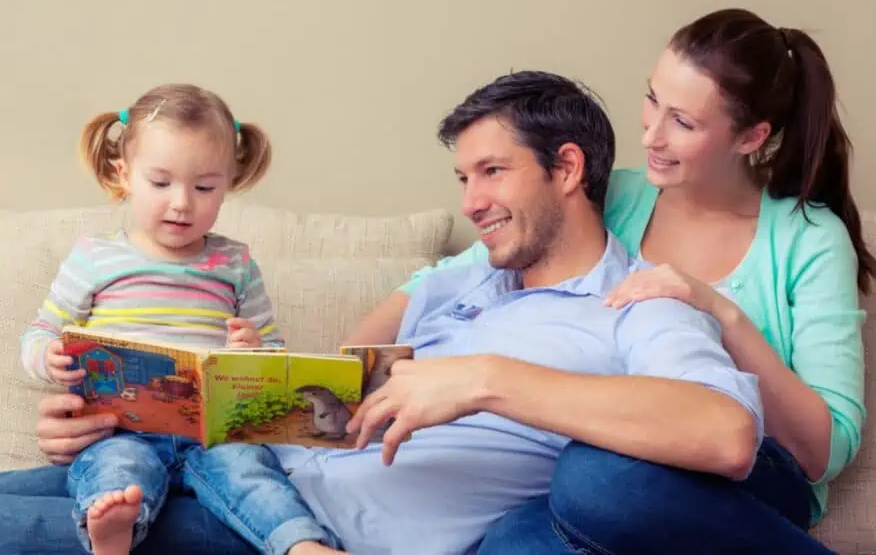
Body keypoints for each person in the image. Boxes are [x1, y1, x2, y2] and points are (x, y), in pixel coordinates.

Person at [0, 71, 763, 554]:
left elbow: (725, 436)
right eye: (464, 177)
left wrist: (487, 380)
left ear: (567, 168)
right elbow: (300, 392)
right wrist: (114, 406)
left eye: (492, 172)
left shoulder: (637, 304)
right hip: (249, 472)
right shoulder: (458, 282)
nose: (471, 204)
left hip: (309, 535)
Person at [346, 8, 876, 553]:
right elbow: (442, 278)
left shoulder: (808, 240)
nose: (651, 135)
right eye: (652, 100)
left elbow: (822, 453)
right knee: (514, 537)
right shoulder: (621, 196)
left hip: (748, 480)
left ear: (751, 137)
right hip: (606, 450)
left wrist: (719, 311)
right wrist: (346, 374)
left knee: (597, 478)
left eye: (684, 122)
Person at [15, 84, 342, 555]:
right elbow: (42, 332)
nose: (182, 203)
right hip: (119, 427)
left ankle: (302, 545)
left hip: (212, 434)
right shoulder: (95, 257)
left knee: (249, 472)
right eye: (161, 182)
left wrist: (255, 351)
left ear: (229, 184)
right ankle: (113, 532)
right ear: (124, 175)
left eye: (204, 187)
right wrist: (49, 357)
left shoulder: (236, 263)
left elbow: (275, 356)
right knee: (118, 473)